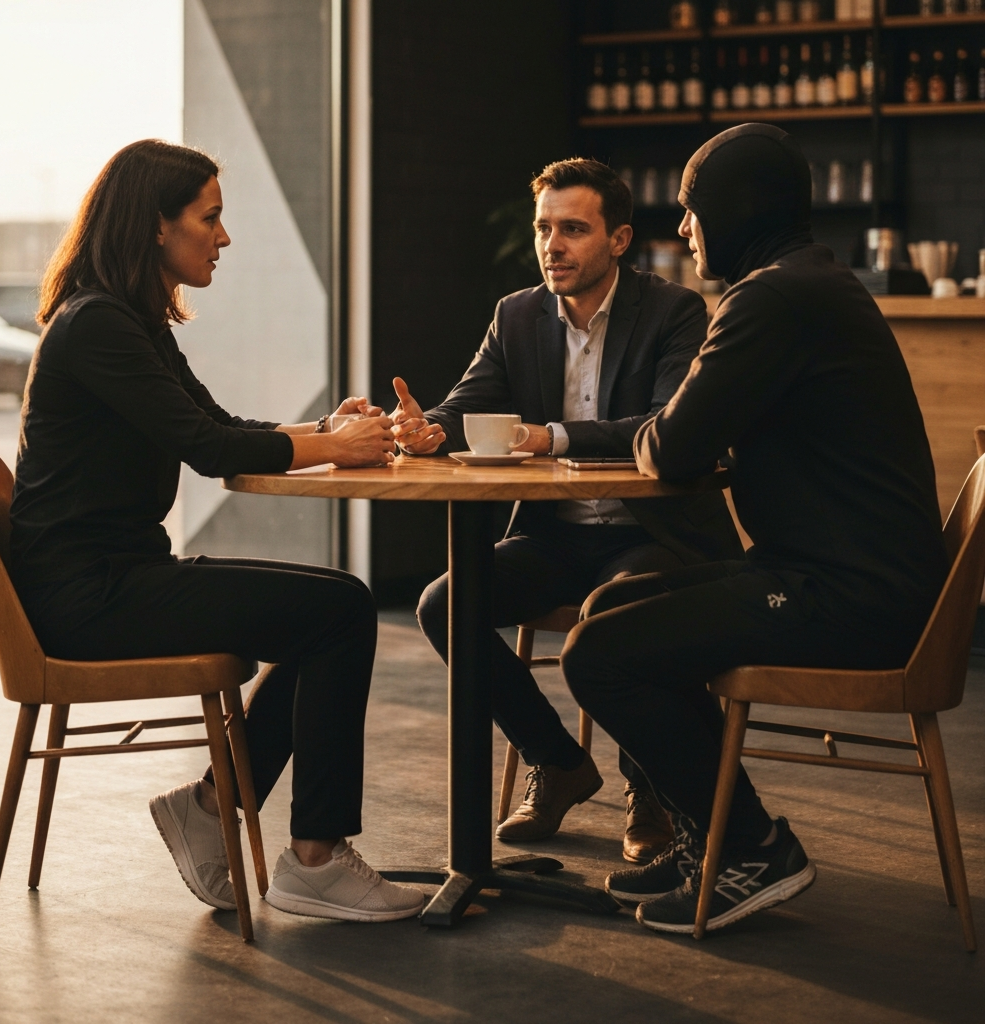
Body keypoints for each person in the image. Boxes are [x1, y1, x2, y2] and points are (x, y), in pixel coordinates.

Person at [10, 139, 425, 923]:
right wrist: (332, 449)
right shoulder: (98, 325)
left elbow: (215, 424)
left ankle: (216, 809)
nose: (224, 238)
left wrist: (323, 428)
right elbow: (210, 450)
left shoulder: (125, 321)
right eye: (211, 218)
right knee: (340, 611)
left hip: (116, 578)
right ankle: (313, 858)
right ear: (155, 227)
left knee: (332, 608)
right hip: (89, 597)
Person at [561, 124, 949, 934]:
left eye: (695, 210)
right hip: (841, 575)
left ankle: (750, 849)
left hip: (849, 596)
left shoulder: (771, 299)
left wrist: (661, 428)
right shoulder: (806, 285)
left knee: (599, 653)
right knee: (613, 605)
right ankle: (715, 838)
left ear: (736, 210)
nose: (685, 230)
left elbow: (671, 448)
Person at [389, 158, 743, 858]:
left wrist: (548, 436)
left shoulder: (674, 310)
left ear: (618, 240)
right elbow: (467, 404)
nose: (553, 245)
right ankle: (556, 763)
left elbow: (660, 424)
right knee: (443, 604)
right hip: (556, 534)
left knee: (621, 609)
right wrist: (426, 429)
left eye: (573, 229)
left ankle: (652, 791)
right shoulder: (517, 315)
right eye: (544, 228)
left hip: (653, 532)